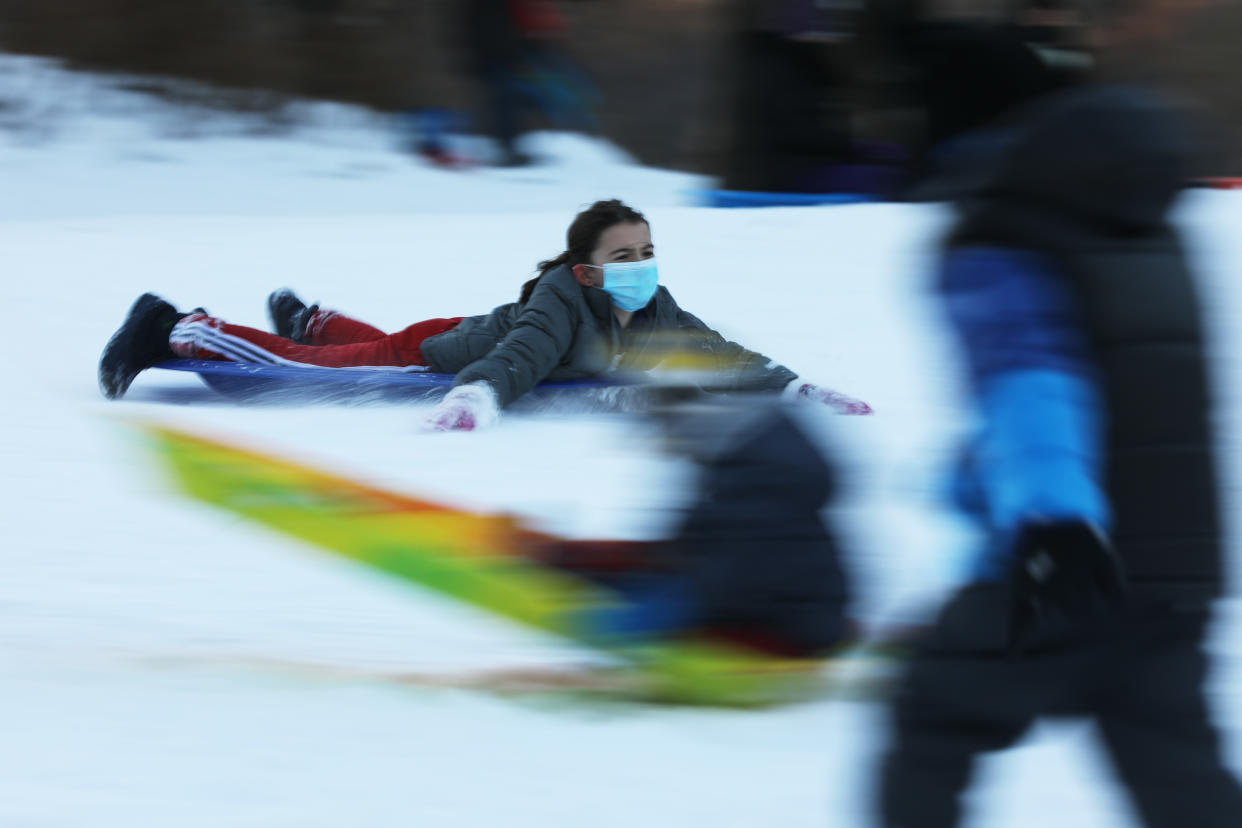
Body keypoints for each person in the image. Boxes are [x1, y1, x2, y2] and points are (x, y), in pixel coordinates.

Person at [874, 17, 1242, 828]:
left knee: (932, 722)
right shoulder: (1148, 219)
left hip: (1069, 559)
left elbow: (1033, 381)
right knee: (1182, 782)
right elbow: (1144, 387)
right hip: (1177, 569)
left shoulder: (1001, 234)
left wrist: (1052, 516)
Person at [98, 199, 872, 430]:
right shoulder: (563, 302)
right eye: (624, 257)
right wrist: (476, 396)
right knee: (305, 376)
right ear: (585, 269)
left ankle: (312, 315)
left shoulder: (654, 306)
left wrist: (796, 388)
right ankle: (178, 326)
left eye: (647, 252)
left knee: (386, 338)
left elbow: (717, 350)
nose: (640, 269)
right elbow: (523, 356)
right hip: (441, 354)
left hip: (453, 329)